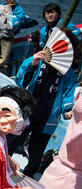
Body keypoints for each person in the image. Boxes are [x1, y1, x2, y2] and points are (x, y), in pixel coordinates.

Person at [8, 28, 78, 178]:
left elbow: (69, 91)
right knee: (12, 141)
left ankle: (27, 177)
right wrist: (33, 64)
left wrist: (67, 109)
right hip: (28, 109)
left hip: (48, 115)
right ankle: (2, 167)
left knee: (36, 152)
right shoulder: (36, 60)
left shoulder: (67, 71)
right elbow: (20, 82)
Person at [0, 0, 26, 72]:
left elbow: (15, 24)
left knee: (3, 61)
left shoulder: (19, 10)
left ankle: (2, 71)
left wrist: (5, 13)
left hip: (7, 38)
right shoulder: (0, 6)